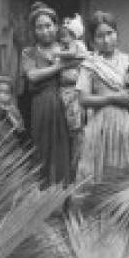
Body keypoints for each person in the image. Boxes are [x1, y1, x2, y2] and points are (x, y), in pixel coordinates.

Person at [76, 11, 129, 182]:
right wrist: (112, 99)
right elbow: (83, 99)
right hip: (102, 128)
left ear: (117, 33)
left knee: (125, 176)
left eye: (110, 33)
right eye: (100, 36)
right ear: (93, 40)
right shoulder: (90, 65)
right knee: (102, 175)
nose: (106, 40)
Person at [20, 2, 76, 186]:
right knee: (42, 149)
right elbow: (33, 75)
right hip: (42, 105)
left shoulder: (67, 49)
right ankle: (43, 199)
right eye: (39, 27)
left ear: (56, 26)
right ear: (34, 31)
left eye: (48, 25)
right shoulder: (29, 53)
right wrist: (59, 66)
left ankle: (65, 199)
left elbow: (78, 73)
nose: (44, 31)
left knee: (66, 149)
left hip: (67, 104)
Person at [58, 14, 88, 177]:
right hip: (65, 89)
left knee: (76, 125)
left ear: (74, 35)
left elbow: (71, 56)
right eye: (61, 36)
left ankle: (75, 164)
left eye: (66, 35)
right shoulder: (68, 47)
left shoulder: (77, 46)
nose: (63, 39)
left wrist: (57, 54)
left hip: (74, 90)